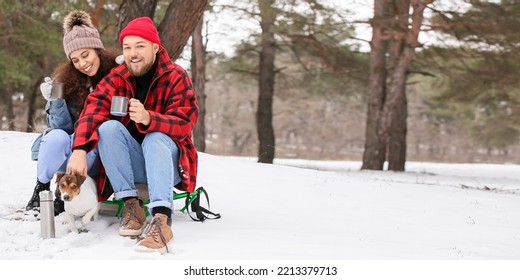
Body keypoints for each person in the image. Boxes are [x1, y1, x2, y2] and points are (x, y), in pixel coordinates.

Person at [67, 17, 199, 254]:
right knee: (107, 128)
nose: (133, 53)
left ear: (155, 47)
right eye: (127, 48)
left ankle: (161, 220)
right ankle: (132, 206)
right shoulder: (118, 77)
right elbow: (92, 109)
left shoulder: (175, 76)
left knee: (155, 137)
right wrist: (79, 150)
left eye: (140, 46)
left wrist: (150, 119)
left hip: (167, 164)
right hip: (136, 164)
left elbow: (186, 121)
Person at [27, 11, 121, 215]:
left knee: (89, 143)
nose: (82, 63)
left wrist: (128, 71)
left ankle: (70, 188)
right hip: (71, 150)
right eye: (75, 60)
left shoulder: (116, 74)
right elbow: (62, 128)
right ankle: (42, 188)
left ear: (97, 49)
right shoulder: (69, 81)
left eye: (85, 55)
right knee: (55, 137)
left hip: (98, 154)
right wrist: (56, 101)